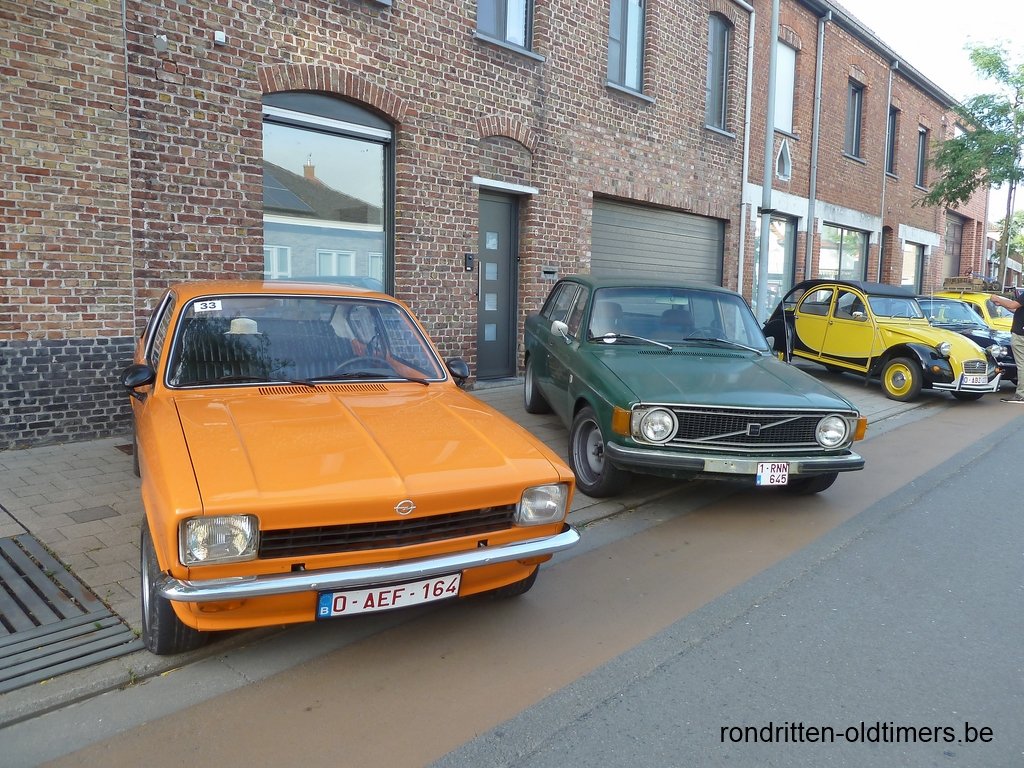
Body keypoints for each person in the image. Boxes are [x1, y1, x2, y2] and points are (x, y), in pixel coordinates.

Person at [990, 288, 1024, 403]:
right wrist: (1002, 304)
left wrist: (997, 298)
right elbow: (1016, 309)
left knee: (1022, 365)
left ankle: (1021, 395)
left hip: (1020, 334)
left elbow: (1013, 305)